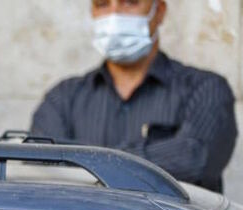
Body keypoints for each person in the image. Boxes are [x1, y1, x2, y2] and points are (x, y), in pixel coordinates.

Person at [31, 0, 237, 193]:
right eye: (102, 4)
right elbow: (39, 173)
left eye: (130, 2)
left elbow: (195, 159)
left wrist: (84, 164)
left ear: (159, 12)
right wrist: (151, 160)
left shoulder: (206, 89)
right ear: (92, 12)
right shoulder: (62, 100)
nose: (114, 15)